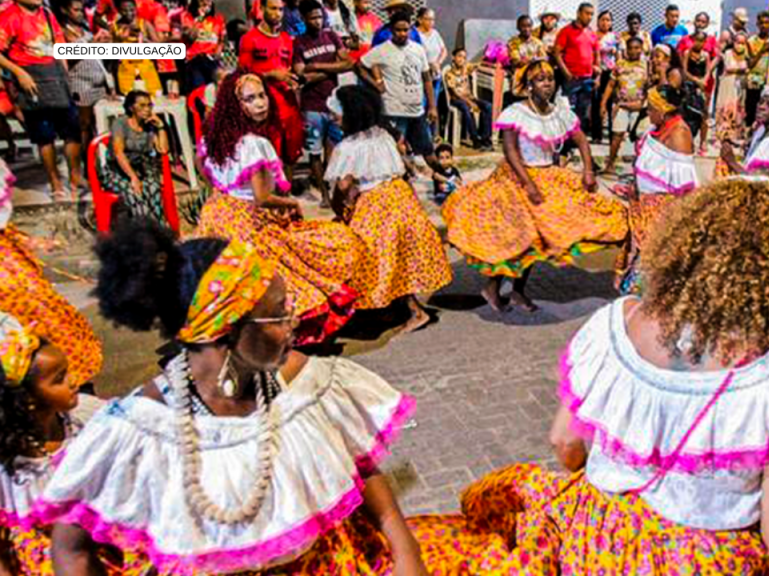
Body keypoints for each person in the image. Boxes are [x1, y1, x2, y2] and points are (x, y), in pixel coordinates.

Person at [449, 176, 769, 576]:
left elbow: (565, 445)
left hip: (594, 540)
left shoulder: (613, 326)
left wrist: (626, 479)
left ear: (685, 246)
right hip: (702, 560)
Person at [39, 219, 443, 574]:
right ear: (227, 332)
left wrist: (405, 549)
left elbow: (362, 464)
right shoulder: (137, 431)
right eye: (279, 315)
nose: (294, 325)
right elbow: (70, 551)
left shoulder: (308, 384)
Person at [442, 61, 627, 313]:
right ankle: (493, 287)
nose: (547, 83)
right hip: (516, 179)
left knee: (540, 242)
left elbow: (581, 140)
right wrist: (528, 184)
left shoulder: (559, 112)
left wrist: (588, 171)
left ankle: (517, 292)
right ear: (529, 85)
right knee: (518, 238)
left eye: (550, 78)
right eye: (540, 79)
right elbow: (510, 151)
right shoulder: (516, 112)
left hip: (548, 176)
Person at [197, 72, 361, 345]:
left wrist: (227, 195)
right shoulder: (253, 145)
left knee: (233, 284)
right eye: (250, 99)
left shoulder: (213, 138)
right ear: (235, 105)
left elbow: (204, 172)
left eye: (261, 95)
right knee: (295, 270)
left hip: (215, 216)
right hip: (246, 223)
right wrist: (292, 202)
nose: (260, 103)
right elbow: (262, 198)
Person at [325, 85, 452, 333]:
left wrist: (339, 202)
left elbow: (343, 184)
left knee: (373, 258)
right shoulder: (383, 135)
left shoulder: (349, 147)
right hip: (400, 198)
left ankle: (415, 312)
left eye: (336, 113)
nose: (333, 118)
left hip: (377, 205)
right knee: (396, 258)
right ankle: (393, 308)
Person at [0, 331, 110, 576]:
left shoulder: (87, 413)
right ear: (28, 399)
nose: (73, 381)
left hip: (104, 533)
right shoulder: (9, 466)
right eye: (59, 379)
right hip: (53, 558)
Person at [0, 159, 103, 389]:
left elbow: (8, 233)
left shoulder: (4, 236)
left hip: (48, 327)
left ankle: (72, 384)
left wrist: (34, 242)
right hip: (22, 347)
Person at [615, 85, 699, 294]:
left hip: (662, 212)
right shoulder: (656, 129)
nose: (648, 112)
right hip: (645, 205)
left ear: (663, 110)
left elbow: (685, 187)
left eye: (651, 108)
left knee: (651, 263)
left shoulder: (680, 133)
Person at [0, 0, 83, 201]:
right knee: (44, 137)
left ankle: (74, 176)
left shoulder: (46, 14)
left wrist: (64, 73)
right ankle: (55, 181)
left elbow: (59, 43)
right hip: (30, 79)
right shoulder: (8, 17)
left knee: (72, 131)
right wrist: (19, 73)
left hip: (56, 76)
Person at [360, 11, 439, 170]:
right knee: (395, 155)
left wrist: (432, 106)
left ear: (410, 29)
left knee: (428, 153)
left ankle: (444, 185)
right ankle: (400, 190)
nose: (402, 33)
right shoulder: (382, 50)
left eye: (406, 30)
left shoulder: (418, 49)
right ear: (391, 30)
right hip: (393, 112)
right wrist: (377, 84)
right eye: (398, 30)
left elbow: (426, 79)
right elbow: (360, 66)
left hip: (416, 112)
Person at [293, 0, 352, 206]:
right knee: (315, 153)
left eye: (320, 17)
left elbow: (349, 63)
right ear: (304, 19)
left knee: (333, 150)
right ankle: (325, 195)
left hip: (333, 104)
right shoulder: (299, 42)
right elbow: (301, 74)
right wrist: (332, 68)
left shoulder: (332, 36)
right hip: (312, 106)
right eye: (313, 18)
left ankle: (334, 190)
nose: (317, 21)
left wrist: (317, 66)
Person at [238, 0, 304, 177]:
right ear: (262, 9)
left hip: (288, 106)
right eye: (273, 8)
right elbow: (242, 75)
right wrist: (270, 75)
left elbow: (291, 69)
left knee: (292, 154)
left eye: (281, 9)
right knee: (267, 156)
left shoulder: (286, 39)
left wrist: (296, 79)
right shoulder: (249, 39)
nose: (278, 13)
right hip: (263, 108)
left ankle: (286, 194)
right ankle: (270, 198)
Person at [100, 90, 170, 223]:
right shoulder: (120, 123)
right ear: (131, 107)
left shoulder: (149, 125)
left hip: (140, 170)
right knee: (135, 194)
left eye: (149, 105)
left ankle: (158, 233)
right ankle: (145, 234)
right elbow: (118, 152)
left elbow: (163, 149)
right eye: (142, 105)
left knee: (154, 189)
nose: (147, 109)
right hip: (117, 171)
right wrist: (133, 177)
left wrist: (161, 127)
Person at [720, 83, 769, 190]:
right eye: (761, 102)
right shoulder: (762, 131)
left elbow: (760, 186)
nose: (762, 107)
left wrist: (732, 162)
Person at [58, 0, 111, 148]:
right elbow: (68, 57)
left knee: (100, 125)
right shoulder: (63, 31)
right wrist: (93, 44)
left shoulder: (85, 29)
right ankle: (87, 163)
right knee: (84, 126)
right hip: (81, 86)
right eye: (76, 10)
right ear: (64, 11)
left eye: (82, 10)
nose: (80, 13)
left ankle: (99, 161)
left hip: (99, 85)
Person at [600, 36, 648, 174]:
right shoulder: (620, 64)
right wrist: (603, 104)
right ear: (626, 49)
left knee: (639, 136)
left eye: (637, 48)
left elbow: (649, 86)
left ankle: (640, 167)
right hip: (620, 106)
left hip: (638, 106)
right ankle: (610, 163)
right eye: (631, 48)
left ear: (642, 48)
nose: (634, 51)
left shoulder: (647, 65)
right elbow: (610, 85)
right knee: (617, 134)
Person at [554, 3, 598, 138]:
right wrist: (566, 73)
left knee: (582, 112)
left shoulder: (591, 33)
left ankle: (576, 141)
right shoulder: (566, 31)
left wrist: (597, 74)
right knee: (568, 111)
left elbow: (597, 54)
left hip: (588, 78)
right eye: (587, 13)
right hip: (572, 79)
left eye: (591, 14)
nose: (589, 17)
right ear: (579, 13)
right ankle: (564, 141)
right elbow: (557, 53)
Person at [444, 47, 492, 150]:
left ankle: (485, 138)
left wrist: (486, 55)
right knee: (466, 108)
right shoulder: (449, 74)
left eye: (464, 57)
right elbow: (455, 93)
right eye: (459, 56)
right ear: (453, 57)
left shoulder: (466, 67)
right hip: (457, 99)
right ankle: (475, 139)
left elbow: (477, 65)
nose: (462, 59)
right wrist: (469, 103)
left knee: (487, 106)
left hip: (469, 97)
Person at [111, 0, 162, 96]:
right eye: (124, 10)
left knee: (152, 98)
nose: (129, 13)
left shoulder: (144, 24)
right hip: (125, 71)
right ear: (118, 11)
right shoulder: (115, 27)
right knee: (129, 99)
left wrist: (144, 39)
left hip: (146, 70)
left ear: (136, 8)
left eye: (132, 9)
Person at [180, 0, 225, 95]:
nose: (207, 3)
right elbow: (190, 37)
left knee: (216, 91)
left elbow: (221, 39)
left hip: (212, 59)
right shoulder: (187, 17)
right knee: (199, 91)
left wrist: (219, 51)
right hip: (195, 59)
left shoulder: (218, 19)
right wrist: (200, 18)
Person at [682, 31, 715, 154]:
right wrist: (696, 80)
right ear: (693, 40)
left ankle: (703, 141)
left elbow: (708, 71)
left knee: (704, 114)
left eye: (702, 41)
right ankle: (687, 140)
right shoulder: (687, 53)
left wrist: (704, 81)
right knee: (688, 113)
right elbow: (684, 71)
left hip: (702, 87)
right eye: (697, 40)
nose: (699, 43)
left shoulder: (706, 55)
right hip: (689, 85)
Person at [416, 7, 446, 136]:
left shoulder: (435, 33)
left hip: (436, 76)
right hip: (422, 76)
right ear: (420, 19)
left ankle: (431, 136)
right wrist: (428, 64)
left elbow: (444, 50)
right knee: (422, 105)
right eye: (428, 19)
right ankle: (422, 136)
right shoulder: (415, 34)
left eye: (433, 19)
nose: (431, 22)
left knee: (432, 106)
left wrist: (438, 63)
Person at [591, 10, 617, 143]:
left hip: (611, 73)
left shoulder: (615, 37)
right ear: (598, 21)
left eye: (608, 19)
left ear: (611, 22)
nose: (605, 22)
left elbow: (620, 56)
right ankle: (597, 134)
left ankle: (613, 135)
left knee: (610, 103)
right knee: (596, 103)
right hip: (596, 72)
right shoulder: (592, 36)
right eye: (602, 19)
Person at [745, 11, 769, 126]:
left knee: (768, 111)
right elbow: (750, 64)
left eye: (767, 23)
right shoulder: (751, 41)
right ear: (757, 24)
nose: (764, 25)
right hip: (754, 81)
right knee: (752, 110)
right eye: (761, 23)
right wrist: (762, 50)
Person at [507, 14, 547, 95]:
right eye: (523, 26)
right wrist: (531, 60)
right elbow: (516, 62)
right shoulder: (513, 42)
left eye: (529, 26)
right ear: (518, 27)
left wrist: (539, 60)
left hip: (537, 72)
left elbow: (544, 58)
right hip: (520, 72)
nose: (526, 29)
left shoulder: (537, 43)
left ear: (532, 27)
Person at [715, 30, 748, 127]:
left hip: (739, 89)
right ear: (733, 42)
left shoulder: (746, 56)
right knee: (723, 116)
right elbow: (728, 69)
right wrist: (741, 70)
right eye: (738, 42)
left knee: (736, 117)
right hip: (727, 89)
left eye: (743, 43)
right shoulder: (728, 53)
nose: (740, 45)